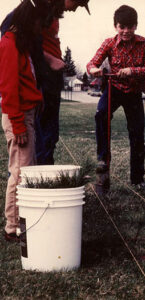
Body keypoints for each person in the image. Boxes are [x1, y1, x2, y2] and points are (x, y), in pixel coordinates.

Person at [1, 0, 91, 166]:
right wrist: (47, 60)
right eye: (77, 4)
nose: (75, 9)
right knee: (36, 143)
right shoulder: (35, 8)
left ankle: (46, 179)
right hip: (39, 81)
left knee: (50, 136)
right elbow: (10, 34)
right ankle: (34, 181)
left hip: (50, 82)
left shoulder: (53, 13)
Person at [0, 0, 53, 242]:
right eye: (37, 23)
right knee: (19, 173)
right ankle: (12, 227)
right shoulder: (9, 45)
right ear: (27, 21)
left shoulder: (21, 45)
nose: (39, 28)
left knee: (26, 170)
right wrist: (18, 124)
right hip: (18, 116)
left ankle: (21, 221)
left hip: (28, 112)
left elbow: (25, 79)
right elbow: (8, 88)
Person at [87, 5, 145, 188]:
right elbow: (92, 63)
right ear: (115, 26)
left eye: (130, 26)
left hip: (133, 92)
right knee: (100, 114)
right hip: (114, 89)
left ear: (136, 26)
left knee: (137, 132)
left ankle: (138, 179)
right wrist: (95, 70)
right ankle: (103, 159)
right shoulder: (109, 43)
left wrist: (131, 71)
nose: (126, 31)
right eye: (122, 26)